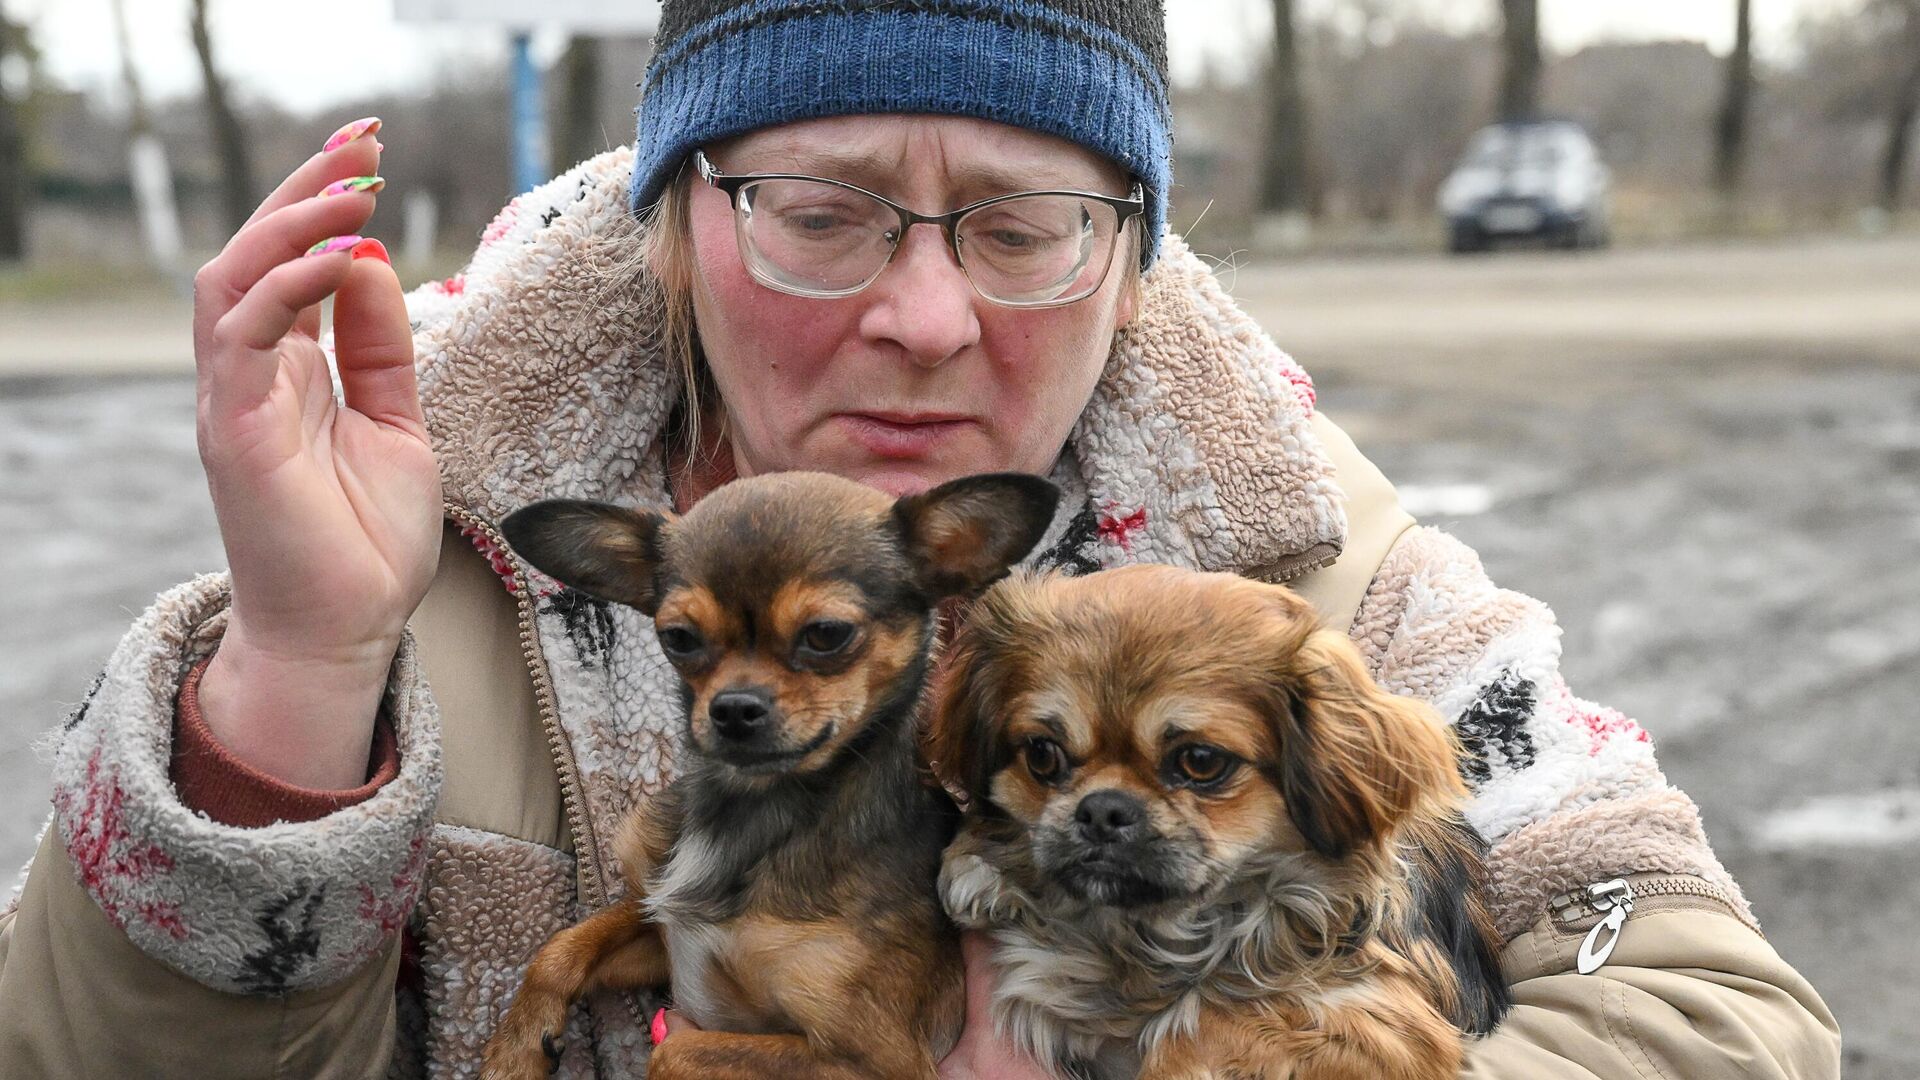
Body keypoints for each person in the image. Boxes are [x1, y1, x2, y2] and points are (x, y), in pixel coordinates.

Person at [0, 2, 1838, 1077]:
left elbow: (1726, 1011)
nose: (930, 318)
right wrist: (301, 672)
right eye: (823, 210)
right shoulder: (412, 545)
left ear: (1129, 258)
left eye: (1024, 224)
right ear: (676, 227)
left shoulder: (1318, 573)